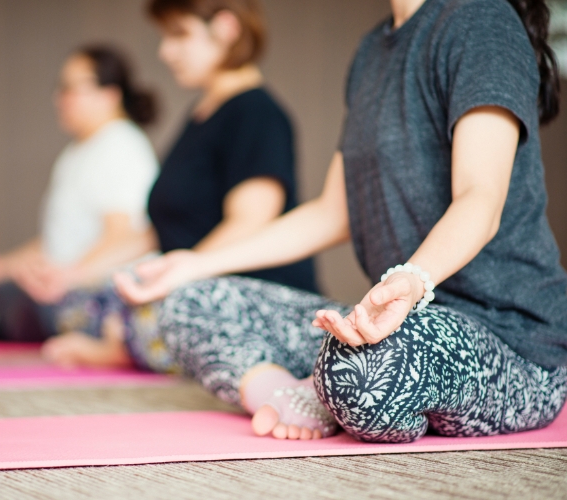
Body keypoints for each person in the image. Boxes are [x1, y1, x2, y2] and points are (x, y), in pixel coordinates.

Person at [115, 0, 567, 443]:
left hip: (512, 343)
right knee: (190, 302)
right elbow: (332, 213)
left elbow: (480, 199)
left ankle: (330, 386)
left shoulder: (481, 18)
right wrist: (194, 263)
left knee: (365, 371)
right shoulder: (372, 50)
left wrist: (410, 282)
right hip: (396, 329)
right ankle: (296, 397)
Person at [40, 0, 319, 372]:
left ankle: (126, 345)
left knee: (162, 313)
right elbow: (162, 230)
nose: (165, 52)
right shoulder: (200, 115)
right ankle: (126, 339)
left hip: (246, 293)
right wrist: (75, 273)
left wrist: (181, 275)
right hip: (191, 280)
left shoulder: (257, 113)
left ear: (226, 27)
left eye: (179, 35)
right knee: (77, 299)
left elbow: (250, 222)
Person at [0, 45, 160, 343]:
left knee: (17, 300)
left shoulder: (121, 144)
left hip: (101, 291)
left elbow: (125, 236)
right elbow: (56, 243)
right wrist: (1, 267)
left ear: (109, 95)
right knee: (6, 291)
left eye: (69, 89)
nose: (58, 99)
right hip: (68, 284)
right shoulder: (74, 153)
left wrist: (69, 276)